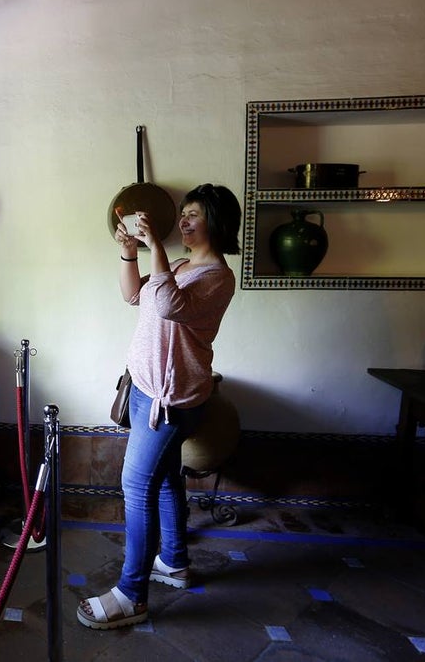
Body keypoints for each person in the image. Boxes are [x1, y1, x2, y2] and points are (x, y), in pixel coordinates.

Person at [77, 183, 242, 630]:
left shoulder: (217, 276)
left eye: (194, 215)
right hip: (147, 390)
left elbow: (169, 305)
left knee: (137, 488)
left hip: (170, 400)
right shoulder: (183, 264)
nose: (184, 222)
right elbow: (134, 296)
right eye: (183, 214)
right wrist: (130, 253)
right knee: (166, 480)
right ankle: (172, 560)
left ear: (218, 223)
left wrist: (154, 247)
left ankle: (132, 594)